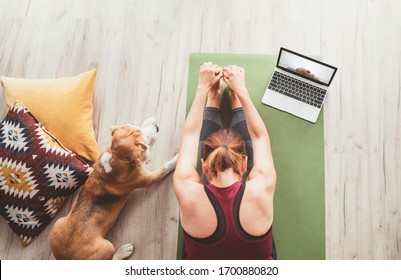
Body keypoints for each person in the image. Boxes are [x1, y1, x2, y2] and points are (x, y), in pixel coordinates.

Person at [173, 62, 276, 260]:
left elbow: (191, 136)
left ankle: (214, 97)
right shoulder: (261, 185)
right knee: (241, 160)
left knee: (219, 165)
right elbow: (260, 137)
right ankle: (234, 98)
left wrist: (204, 89)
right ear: (245, 165)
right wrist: (241, 91)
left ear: (203, 165)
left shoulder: (188, 189)